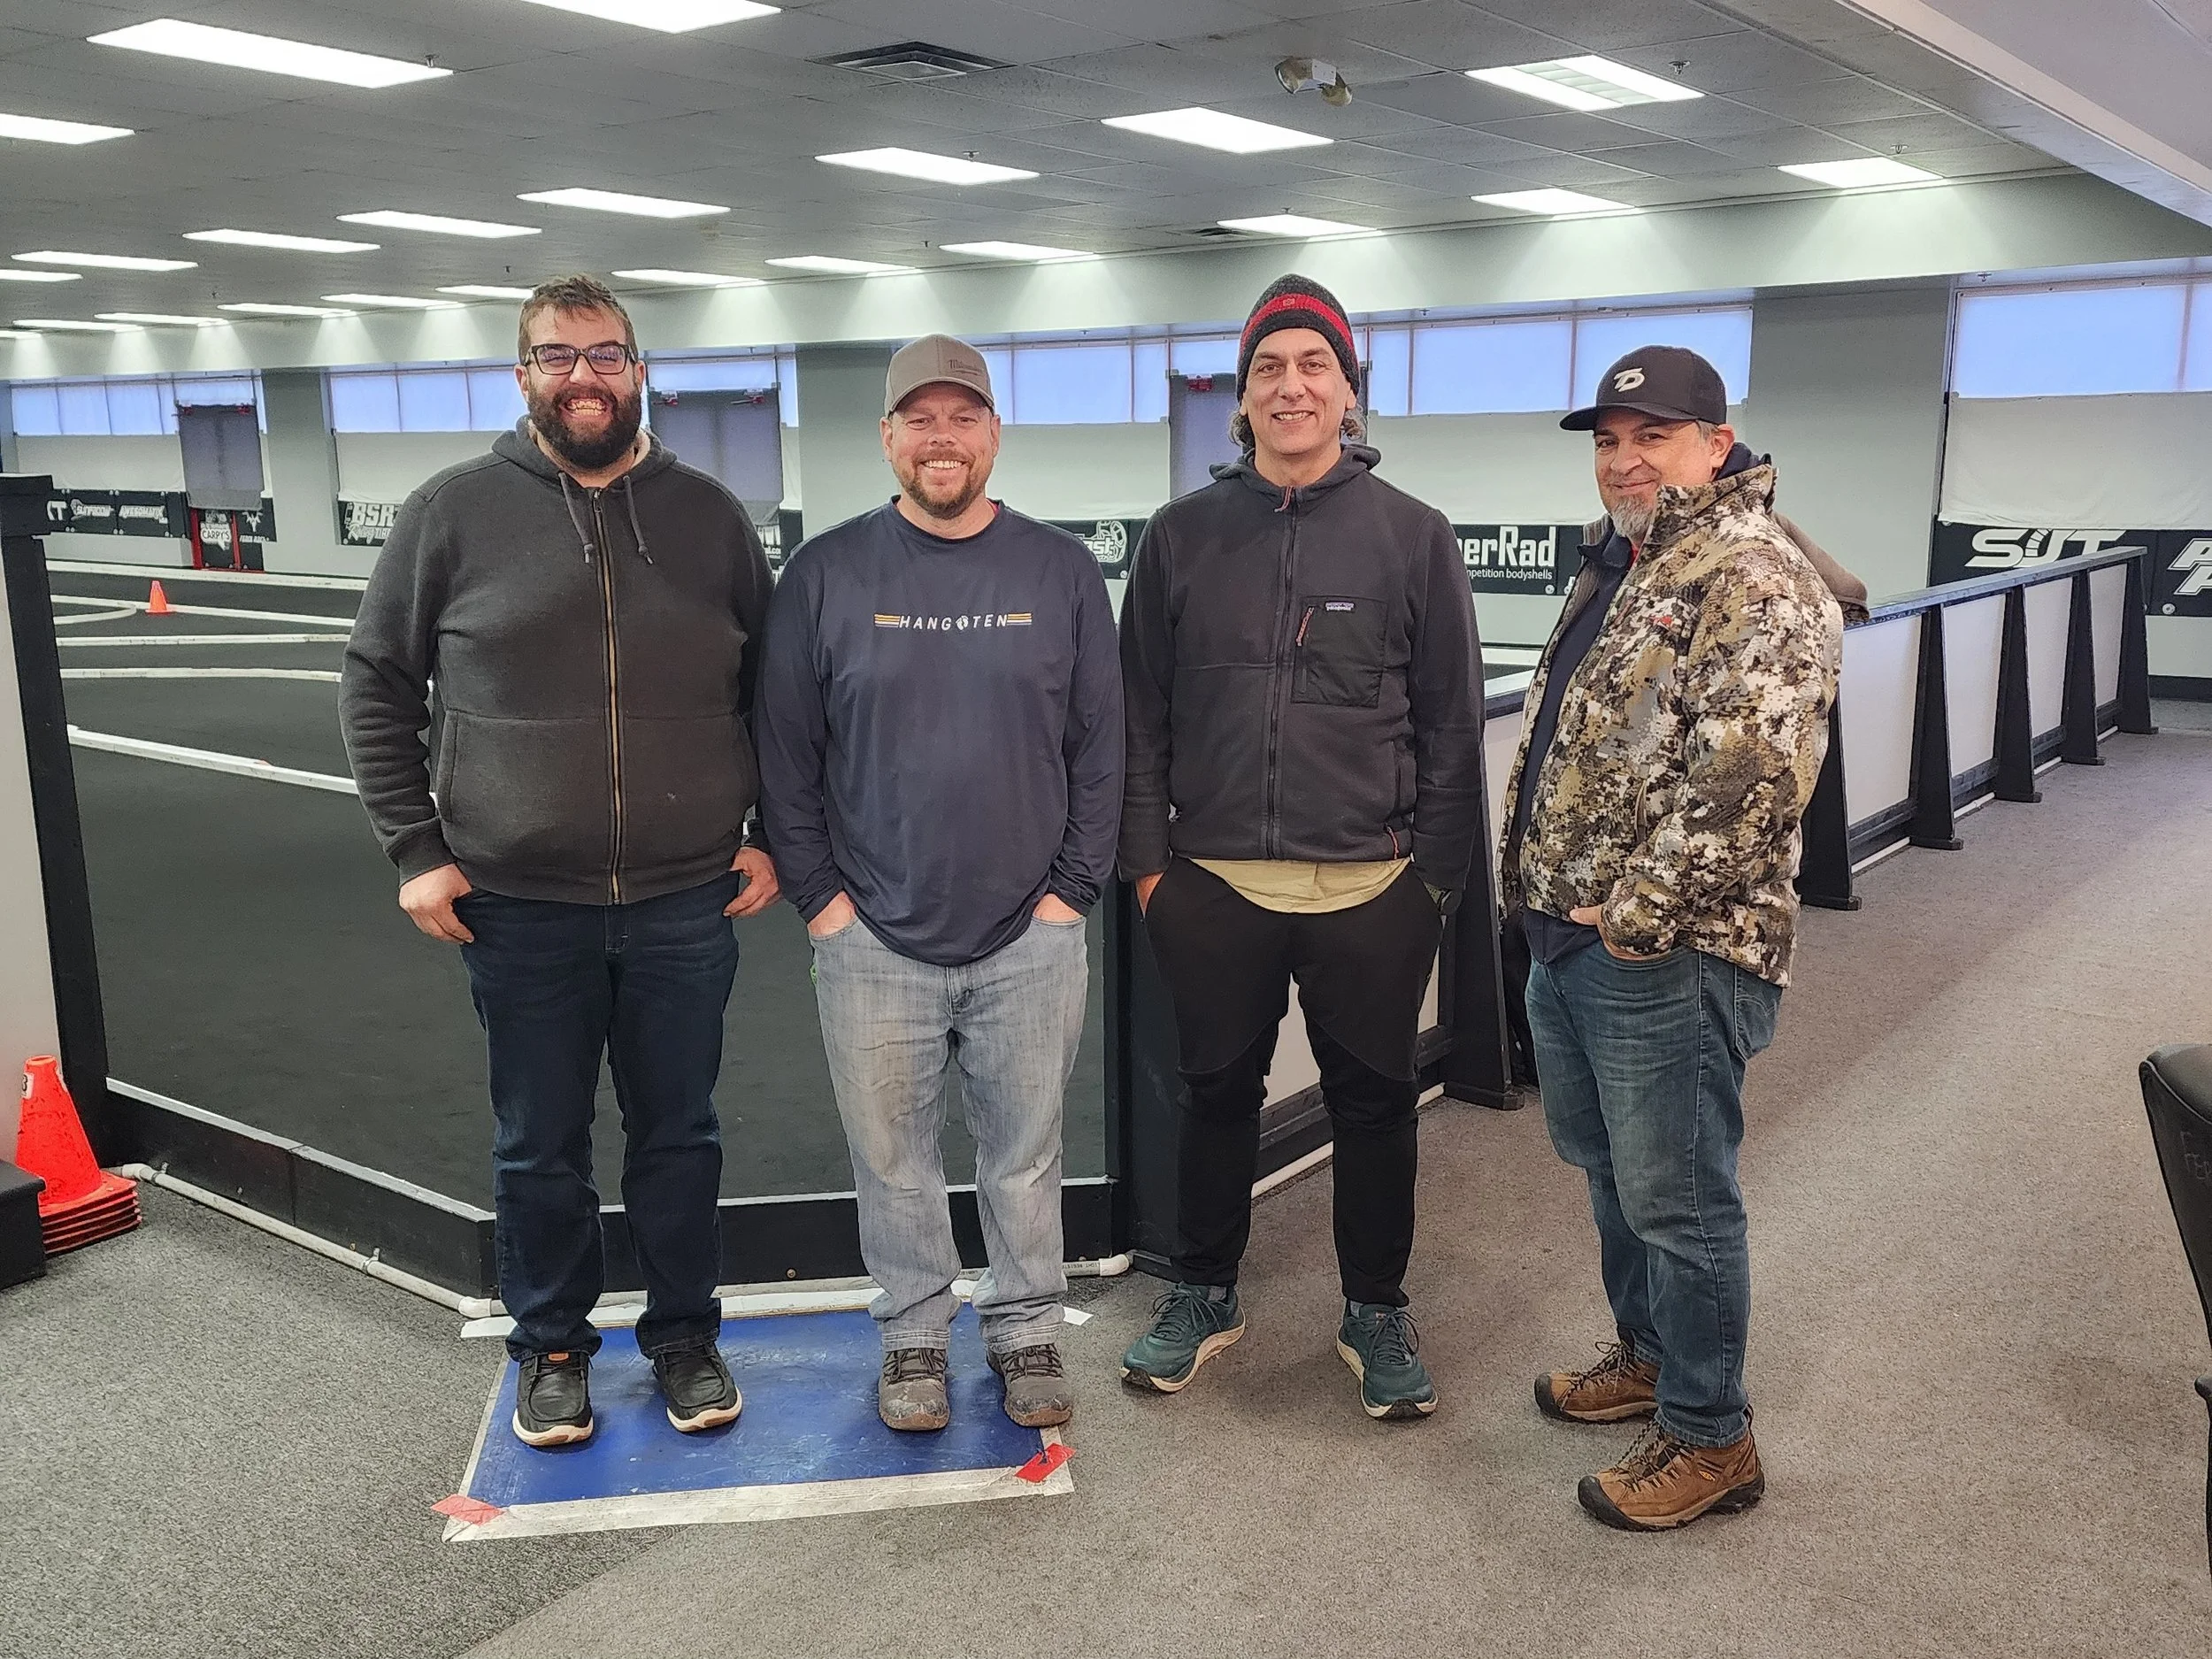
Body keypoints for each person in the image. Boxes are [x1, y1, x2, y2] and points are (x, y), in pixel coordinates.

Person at [341, 274, 778, 1448]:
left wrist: (774, 832)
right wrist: (415, 846)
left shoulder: (711, 517)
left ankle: (685, 1333)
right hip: (520, 904)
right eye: (555, 356)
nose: (582, 376)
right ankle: (552, 1345)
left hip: (687, 896)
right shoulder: (453, 510)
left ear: (640, 371)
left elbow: (776, 689)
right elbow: (379, 681)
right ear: (523, 373)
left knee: (679, 1133)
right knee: (539, 1143)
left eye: (604, 354)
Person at [1116, 274, 1486, 1420]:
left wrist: (1428, 881)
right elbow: (1139, 720)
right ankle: (1205, 1288)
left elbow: (1450, 722)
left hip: (1374, 887)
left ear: (1348, 392)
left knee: (1374, 1104)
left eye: (1312, 365)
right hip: (1213, 884)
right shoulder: (1179, 538)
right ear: (1241, 399)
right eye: (1269, 368)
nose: (1291, 386)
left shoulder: (1413, 537)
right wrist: (1151, 872)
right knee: (1212, 1093)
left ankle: (1375, 1307)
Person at [1496, 344, 1843, 1530]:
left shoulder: (1751, 570)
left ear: (1713, 437)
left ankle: (1711, 1434)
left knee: (1681, 1198)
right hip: (1572, 938)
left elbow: (1755, 787)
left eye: (1649, 433)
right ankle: (1650, 1356)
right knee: (1615, 1177)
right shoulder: (1637, 557)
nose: (1623, 457)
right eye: (1607, 438)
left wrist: (1634, 911)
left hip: (1667, 951)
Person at [754, 334, 1121, 1433]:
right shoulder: (823, 574)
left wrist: (1070, 893)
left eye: (963, 418)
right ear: (888, 439)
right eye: (920, 420)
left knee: (1023, 1155)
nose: (942, 438)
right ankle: (913, 1335)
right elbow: (785, 753)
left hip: (1031, 937)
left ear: (994, 435)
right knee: (892, 1159)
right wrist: (821, 901)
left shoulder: (1058, 570)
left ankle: (1023, 1333)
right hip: (870, 937)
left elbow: (1102, 747)